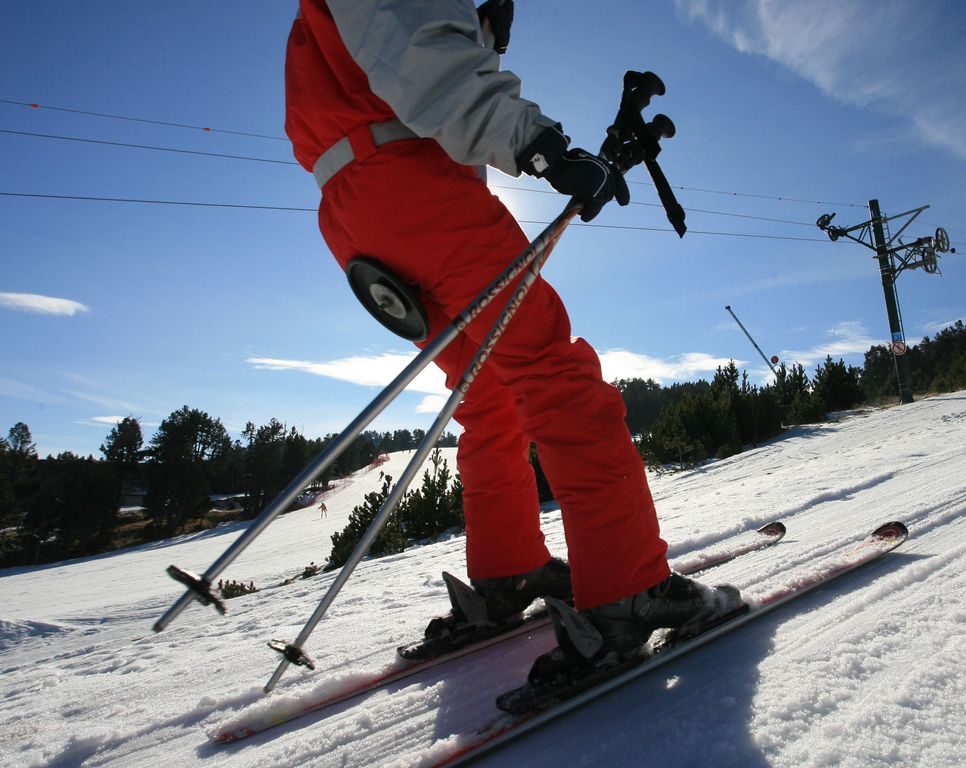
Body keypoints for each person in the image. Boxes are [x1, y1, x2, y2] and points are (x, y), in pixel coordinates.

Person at [283, 0, 741, 674]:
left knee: (485, 390)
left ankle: (510, 571)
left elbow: (401, 58)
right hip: (411, 184)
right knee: (555, 374)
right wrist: (542, 146)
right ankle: (629, 590)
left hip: (353, 208)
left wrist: (487, 39)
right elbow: (427, 60)